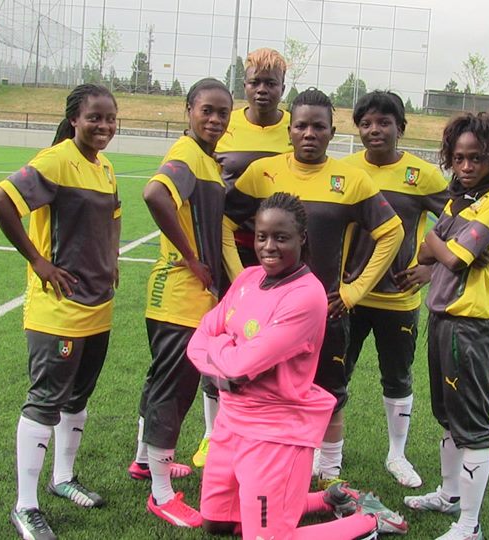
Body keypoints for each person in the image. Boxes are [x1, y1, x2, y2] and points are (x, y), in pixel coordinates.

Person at [188, 192, 408, 539]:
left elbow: (239, 367)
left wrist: (220, 350)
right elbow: (199, 337)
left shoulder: (306, 295)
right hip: (230, 421)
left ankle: (369, 520)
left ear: (301, 238)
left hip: (273, 431)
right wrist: (224, 355)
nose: (268, 247)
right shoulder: (247, 279)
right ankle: (328, 498)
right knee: (215, 523)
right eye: (262, 236)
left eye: (281, 237)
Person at [224, 88, 405, 489]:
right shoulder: (262, 173)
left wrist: (354, 291)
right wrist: (242, 282)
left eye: (319, 127)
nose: (310, 134)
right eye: (302, 126)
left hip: (325, 313)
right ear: (290, 130)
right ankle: (275, 463)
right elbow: (225, 223)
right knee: (268, 390)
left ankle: (330, 471)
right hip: (269, 317)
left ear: (332, 132)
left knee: (329, 394)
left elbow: (391, 232)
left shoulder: (351, 180)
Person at [0, 83, 121, 540]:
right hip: (58, 310)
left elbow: (114, 214)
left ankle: (63, 478)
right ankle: (25, 506)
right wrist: (38, 261)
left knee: (78, 398)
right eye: (94, 117)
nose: (103, 126)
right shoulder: (55, 160)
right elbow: (0, 200)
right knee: (45, 401)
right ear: (74, 119)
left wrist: (112, 257)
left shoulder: (104, 167)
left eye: (110, 118)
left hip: (98, 306)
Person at [404, 113, 489, 540]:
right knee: (448, 415)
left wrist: (440, 243)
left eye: (476, 158)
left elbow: (450, 258)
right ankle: (450, 495)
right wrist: (443, 245)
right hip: (444, 317)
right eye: (458, 158)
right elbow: (428, 252)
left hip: (472, 323)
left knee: (472, 423)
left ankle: (469, 526)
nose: (466, 166)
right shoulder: (461, 198)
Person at [126, 78, 233, 528]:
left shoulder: (205, 160)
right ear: (188, 110)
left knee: (160, 383)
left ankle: (144, 461)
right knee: (174, 390)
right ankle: (161, 493)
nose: (215, 119)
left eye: (222, 113)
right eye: (206, 110)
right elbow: (154, 194)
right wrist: (191, 257)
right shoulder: (187, 154)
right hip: (180, 295)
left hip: (180, 296)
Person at [341, 91, 450, 489]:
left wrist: (430, 267)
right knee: (336, 374)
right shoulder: (345, 170)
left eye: (384, 122)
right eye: (366, 123)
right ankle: (327, 451)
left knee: (398, 378)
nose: (375, 130)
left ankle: (397, 454)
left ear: (400, 128)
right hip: (349, 296)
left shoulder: (423, 176)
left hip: (399, 298)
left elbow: (456, 221)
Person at [194, 47, 294, 469]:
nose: (262, 90)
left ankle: (264, 430)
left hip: (281, 255)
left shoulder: (295, 126)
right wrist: (235, 273)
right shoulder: (225, 124)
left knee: (273, 343)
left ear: (283, 87)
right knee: (224, 337)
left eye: (271, 83)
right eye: (254, 82)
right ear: (245, 84)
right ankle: (211, 434)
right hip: (228, 247)